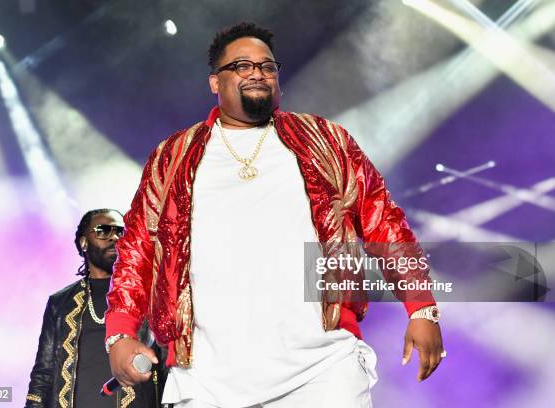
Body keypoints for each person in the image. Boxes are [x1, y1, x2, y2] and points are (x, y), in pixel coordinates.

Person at [105, 22, 444, 408]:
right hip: (209, 380)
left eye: (268, 67)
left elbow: (384, 222)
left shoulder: (325, 141)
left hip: (324, 369)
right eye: (243, 66)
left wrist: (422, 307)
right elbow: (137, 250)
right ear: (215, 82)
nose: (258, 73)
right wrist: (119, 333)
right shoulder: (173, 157)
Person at [25, 209, 167, 408]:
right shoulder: (60, 303)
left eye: (121, 232)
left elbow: (166, 367)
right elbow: (43, 374)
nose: (115, 238)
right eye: (103, 230)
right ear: (84, 242)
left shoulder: (149, 296)